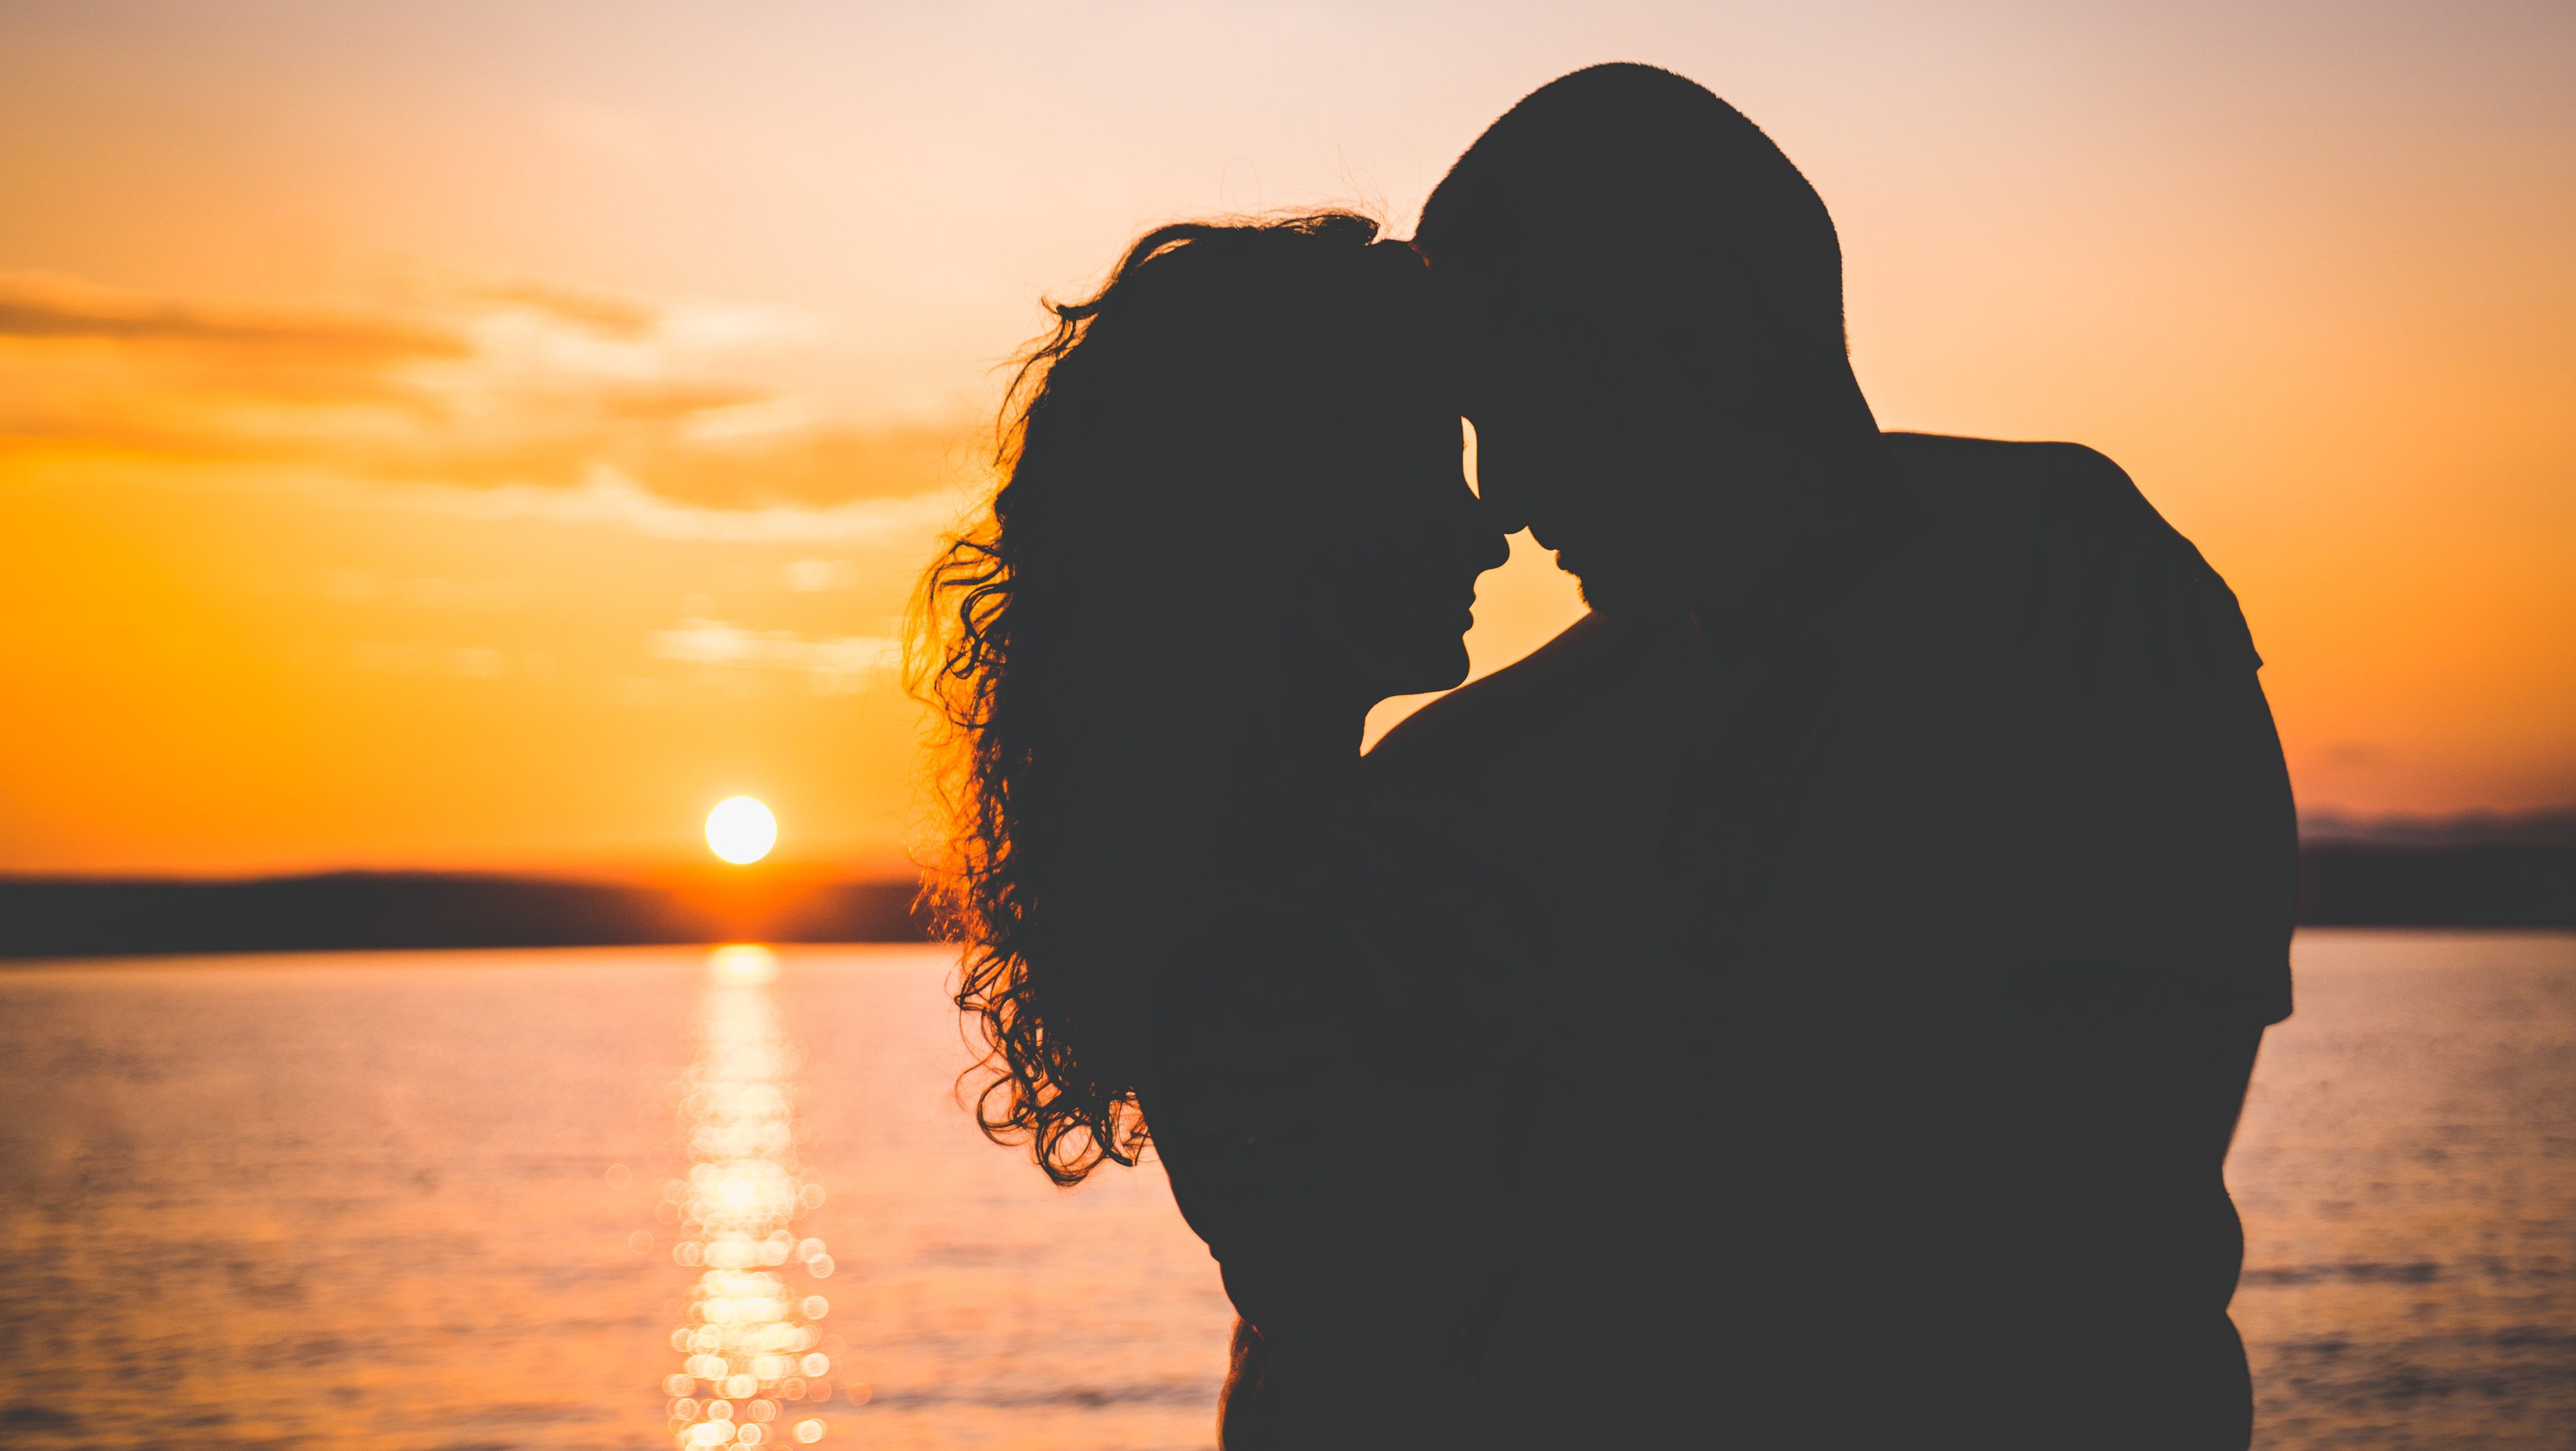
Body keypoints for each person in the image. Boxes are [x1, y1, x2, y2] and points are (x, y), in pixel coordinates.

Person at [1368, 63, 2299, 1448]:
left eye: (1523, 394)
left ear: (1712, 330)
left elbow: (2095, 1197)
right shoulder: (1480, 766)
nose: (1499, 495)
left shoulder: (2075, 585)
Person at [910, 213, 1537, 1448]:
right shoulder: (1278, 907)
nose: (1488, 528)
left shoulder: (1236, 859)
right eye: (1430, 465)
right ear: (1293, 500)